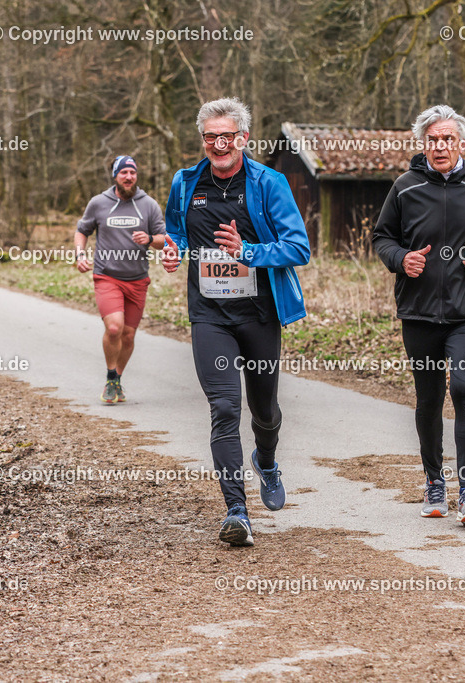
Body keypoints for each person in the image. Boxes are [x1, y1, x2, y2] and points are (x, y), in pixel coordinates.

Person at [161, 97, 310, 547]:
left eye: (227, 136)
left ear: (243, 139)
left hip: (260, 315)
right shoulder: (186, 182)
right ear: (203, 140)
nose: (218, 144)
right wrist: (170, 247)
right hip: (209, 316)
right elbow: (176, 231)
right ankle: (237, 511)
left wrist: (247, 252)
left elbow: (298, 247)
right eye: (210, 137)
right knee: (224, 408)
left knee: (263, 411)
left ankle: (266, 460)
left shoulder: (269, 183)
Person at [372, 104, 465, 526]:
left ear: (461, 143)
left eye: (447, 138)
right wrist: (401, 260)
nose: (440, 146)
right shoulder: (405, 187)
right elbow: (382, 237)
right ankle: (435, 483)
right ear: (423, 144)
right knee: (429, 398)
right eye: (433, 139)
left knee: (464, 387)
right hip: (418, 311)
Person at [75, 155, 166, 404]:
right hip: (107, 276)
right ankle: (110, 374)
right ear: (115, 176)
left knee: (128, 335)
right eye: (124, 173)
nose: (128, 177)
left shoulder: (148, 205)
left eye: (132, 173)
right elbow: (82, 231)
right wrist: (80, 254)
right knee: (114, 327)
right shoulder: (99, 203)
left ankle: (115, 380)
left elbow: (163, 240)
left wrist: (148, 239)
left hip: (138, 279)